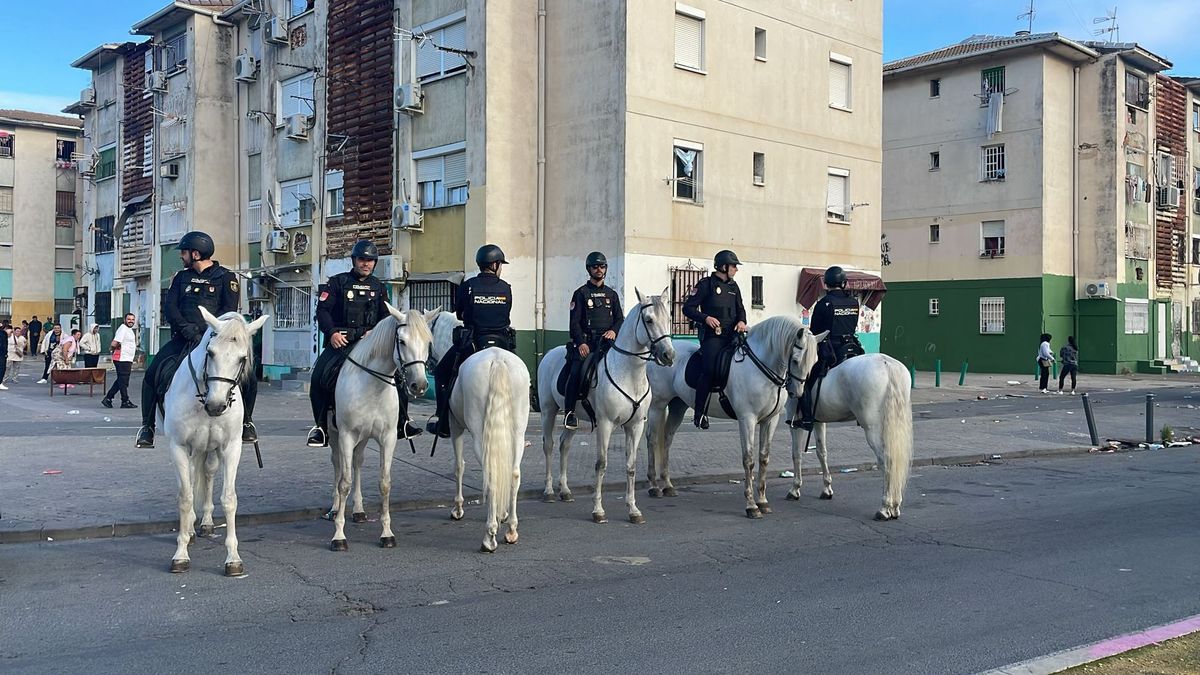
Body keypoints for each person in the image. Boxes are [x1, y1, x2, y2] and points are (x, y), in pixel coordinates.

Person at [136, 231, 256, 448]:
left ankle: (247, 423)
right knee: (153, 373)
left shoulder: (227, 278)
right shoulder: (181, 278)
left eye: (184, 252)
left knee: (249, 379)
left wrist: (207, 334)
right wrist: (188, 330)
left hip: (214, 341)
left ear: (196, 253)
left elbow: (228, 312)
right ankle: (147, 427)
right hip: (183, 339)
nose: (181, 257)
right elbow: (170, 308)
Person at [305, 239, 423, 447]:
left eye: (370, 261)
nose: (366, 264)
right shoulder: (336, 282)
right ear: (354, 260)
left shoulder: (379, 287)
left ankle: (404, 422)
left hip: (370, 344)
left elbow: (386, 317)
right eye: (362, 259)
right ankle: (321, 427)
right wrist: (332, 332)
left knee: (399, 377)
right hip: (341, 342)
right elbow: (322, 311)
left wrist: (375, 333)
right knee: (318, 378)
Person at [426, 244, 515, 438]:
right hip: (502, 342)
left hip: (473, 341)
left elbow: (460, 313)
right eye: (500, 264)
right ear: (495, 264)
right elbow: (506, 314)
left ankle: (443, 424)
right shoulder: (505, 288)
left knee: (441, 374)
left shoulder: (468, 286)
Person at [683, 250, 748, 429]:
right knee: (710, 369)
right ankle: (699, 412)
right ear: (723, 266)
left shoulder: (734, 287)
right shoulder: (706, 284)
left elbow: (741, 309)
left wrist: (742, 321)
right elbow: (688, 308)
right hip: (714, 336)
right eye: (734, 265)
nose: (736, 269)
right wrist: (705, 318)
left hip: (733, 335)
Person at [796, 266, 864, 431]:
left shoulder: (823, 303)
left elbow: (815, 332)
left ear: (826, 283)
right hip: (852, 347)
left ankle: (806, 418)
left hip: (830, 349)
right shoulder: (854, 302)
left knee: (803, 380)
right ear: (843, 283)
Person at [562, 251, 623, 430]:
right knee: (576, 372)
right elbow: (574, 323)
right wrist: (580, 342)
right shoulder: (580, 293)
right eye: (595, 266)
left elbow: (620, 319)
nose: (599, 269)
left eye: (602, 266)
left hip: (606, 344)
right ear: (589, 269)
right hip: (586, 344)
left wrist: (613, 330)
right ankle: (570, 413)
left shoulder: (612, 295)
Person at [103, 313, 138, 409]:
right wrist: (112, 349)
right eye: (129, 319)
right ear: (124, 320)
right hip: (122, 358)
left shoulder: (128, 330)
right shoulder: (123, 328)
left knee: (122, 381)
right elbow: (115, 342)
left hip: (126, 358)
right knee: (123, 381)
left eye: (132, 319)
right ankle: (124, 400)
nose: (131, 321)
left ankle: (109, 398)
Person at [0, 324, 8, 390]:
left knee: (2, 368)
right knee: (2, 368)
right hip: (2, 354)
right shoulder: (3, 333)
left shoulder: (3, 333)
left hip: (2, 353)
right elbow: (4, 344)